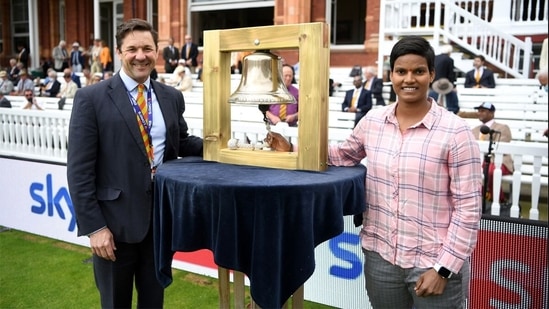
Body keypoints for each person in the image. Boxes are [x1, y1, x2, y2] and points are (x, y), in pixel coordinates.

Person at [326, 36, 482, 308]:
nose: (409, 79)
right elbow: (343, 155)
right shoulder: (373, 121)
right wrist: (293, 147)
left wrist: (443, 269)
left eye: (418, 71)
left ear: (431, 74)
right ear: (391, 75)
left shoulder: (456, 132)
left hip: (433, 263)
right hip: (381, 259)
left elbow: (468, 208)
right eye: (401, 71)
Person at [66, 18, 203, 308]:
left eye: (147, 48)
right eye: (132, 49)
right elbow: (79, 171)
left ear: (157, 52)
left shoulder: (171, 96)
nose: (140, 56)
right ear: (119, 52)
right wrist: (95, 228)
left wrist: (224, 146)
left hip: (159, 223)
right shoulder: (91, 98)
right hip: (113, 229)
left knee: (153, 302)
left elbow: (182, 144)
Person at [472, 102, 513, 202]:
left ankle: (499, 200)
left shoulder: (502, 128)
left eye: (483, 111)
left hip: (499, 161)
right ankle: (481, 196)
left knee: (491, 171)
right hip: (480, 161)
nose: (479, 113)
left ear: (491, 113)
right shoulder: (474, 130)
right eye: (478, 111)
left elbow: (500, 147)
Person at [429, 44, 459, 114]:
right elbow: (451, 74)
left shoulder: (435, 58)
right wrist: (453, 86)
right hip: (445, 84)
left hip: (434, 83)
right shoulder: (449, 60)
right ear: (449, 52)